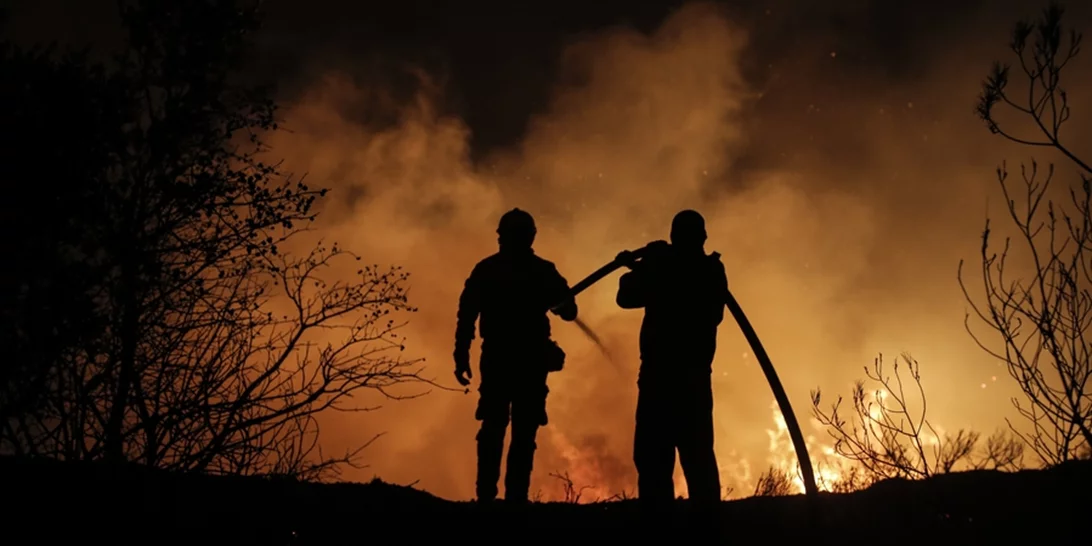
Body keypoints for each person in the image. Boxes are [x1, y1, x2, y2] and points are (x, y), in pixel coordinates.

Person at [453, 208, 579, 504]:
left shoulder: (488, 270)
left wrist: (461, 355)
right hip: (524, 361)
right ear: (531, 237)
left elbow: (466, 316)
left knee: (502, 428)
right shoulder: (541, 271)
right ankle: (511, 499)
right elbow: (570, 312)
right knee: (517, 430)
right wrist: (460, 355)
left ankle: (494, 498)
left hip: (506, 359)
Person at [615, 209, 729, 522]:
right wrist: (648, 265)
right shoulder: (711, 270)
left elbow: (626, 296)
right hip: (693, 381)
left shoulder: (664, 267)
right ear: (702, 238)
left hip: (659, 381)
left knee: (655, 459)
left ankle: (659, 528)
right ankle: (707, 527)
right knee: (698, 459)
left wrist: (641, 267)